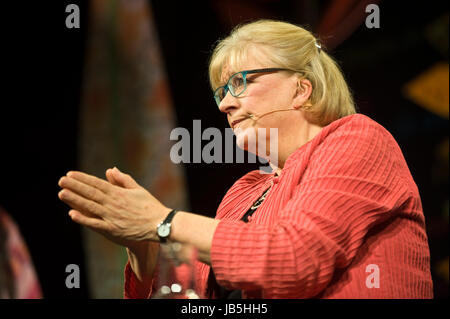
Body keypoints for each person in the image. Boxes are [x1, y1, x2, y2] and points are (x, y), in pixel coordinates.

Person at [58, 20, 433, 298]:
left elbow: (294, 260)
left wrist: (162, 221)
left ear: (301, 88)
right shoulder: (244, 191)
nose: (224, 103)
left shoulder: (357, 139)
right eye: (221, 90)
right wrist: (146, 250)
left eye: (240, 82)